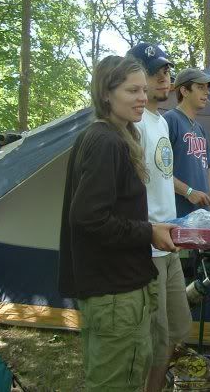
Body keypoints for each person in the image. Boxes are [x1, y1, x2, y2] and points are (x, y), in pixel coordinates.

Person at [58, 55, 178, 391]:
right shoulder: (105, 141)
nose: (142, 97)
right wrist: (149, 232)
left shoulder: (115, 136)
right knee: (115, 383)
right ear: (106, 94)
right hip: (113, 293)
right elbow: (88, 218)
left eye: (143, 90)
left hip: (118, 288)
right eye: (132, 90)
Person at [127, 43, 192, 392]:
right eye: (155, 73)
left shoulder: (162, 122)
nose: (164, 78)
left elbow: (163, 175)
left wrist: (189, 193)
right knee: (153, 338)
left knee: (174, 333)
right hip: (148, 247)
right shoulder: (133, 126)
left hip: (170, 242)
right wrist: (146, 231)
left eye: (166, 71)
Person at [163, 68, 210, 217]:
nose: (207, 92)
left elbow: (208, 171)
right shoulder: (170, 120)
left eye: (207, 88)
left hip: (203, 217)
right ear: (184, 91)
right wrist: (188, 192)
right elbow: (159, 171)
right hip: (179, 217)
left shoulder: (200, 129)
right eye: (200, 87)